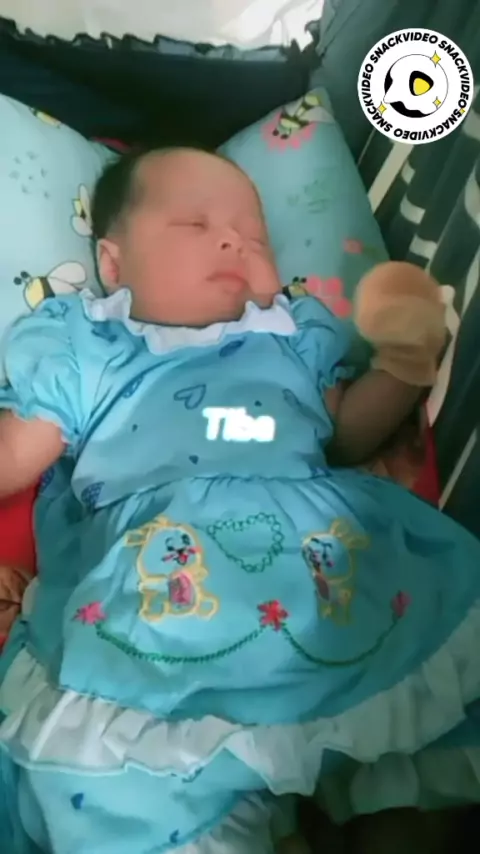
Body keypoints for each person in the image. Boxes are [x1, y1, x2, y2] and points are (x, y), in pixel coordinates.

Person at [0, 147, 479, 853]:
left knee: (407, 780)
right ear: (112, 264)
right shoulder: (92, 346)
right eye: (194, 225)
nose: (234, 242)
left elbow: (345, 435)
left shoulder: (291, 335)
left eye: (256, 237)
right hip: (163, 585)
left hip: (322, 565)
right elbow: (16, 456)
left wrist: (404, 366)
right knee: (143, 787)